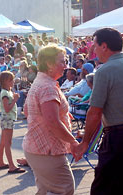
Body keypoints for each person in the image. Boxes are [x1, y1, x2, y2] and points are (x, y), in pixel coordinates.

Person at [73, 28, 123, 194]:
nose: (92, 50)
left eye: (94, 45)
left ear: (104, 46)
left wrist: (86, 143)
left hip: (120, 135)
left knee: (104, 188)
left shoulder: (104, 71)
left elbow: (94, 112)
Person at [23, 45, 79, 195]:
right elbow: (52, 122)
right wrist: (73, 142)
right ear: (49, 63)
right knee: (64, 189)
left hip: (37, 148)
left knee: (46, 191)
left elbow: (27, 110)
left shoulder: (39, 82)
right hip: (47, 150)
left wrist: (62, 115)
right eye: (62, 61)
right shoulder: (48, 87)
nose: (66, 66)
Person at [0, 71, 25, 174]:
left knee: (3, 141)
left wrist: (13, 95)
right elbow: (7, 108)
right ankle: (11, 166)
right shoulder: (4, 93)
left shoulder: (7, 91)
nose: (13, 82)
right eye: (10, 80)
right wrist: (15, 100)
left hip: (6, 118)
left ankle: (1, 162)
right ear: (5, 81)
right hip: (7, 118)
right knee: (8, 143)